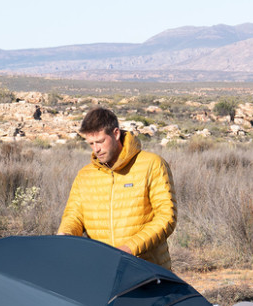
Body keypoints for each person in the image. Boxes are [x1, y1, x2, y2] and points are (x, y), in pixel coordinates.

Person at [57, 107, 176, 268]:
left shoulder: (152, 164)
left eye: (100, 142)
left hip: (147, 270)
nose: (96, 149)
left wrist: (130, 249)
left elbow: (166, 217)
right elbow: (73, 217)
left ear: (116, 134)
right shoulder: (85, 175)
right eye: (91, 144)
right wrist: (65, 235)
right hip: (104, 270)